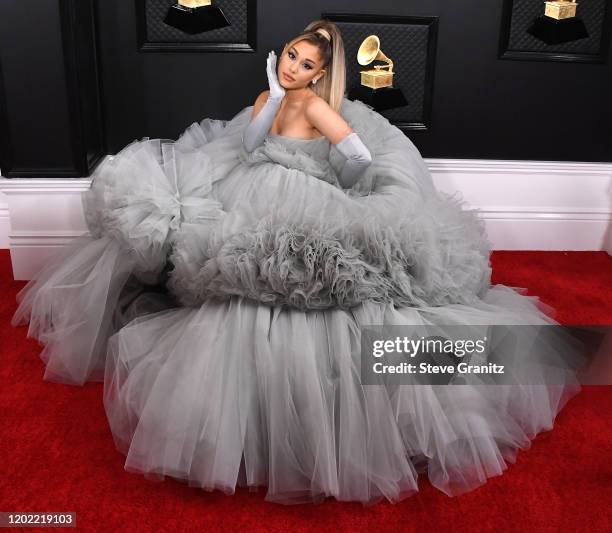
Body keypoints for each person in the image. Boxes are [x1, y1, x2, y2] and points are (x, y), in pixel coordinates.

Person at [10, 19, 580, 505]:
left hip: (305, 193)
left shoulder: (314, 106)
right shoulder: (273, 100)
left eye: (304, 65)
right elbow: (253, 145)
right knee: (228, 263)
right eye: (289, 56)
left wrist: (337, 182)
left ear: (316, 75)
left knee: (299, 279)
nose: (291, 67)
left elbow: (354, 154)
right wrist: (272, 97)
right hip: (252, 187)